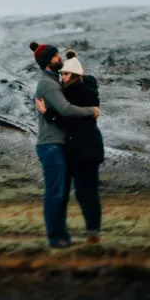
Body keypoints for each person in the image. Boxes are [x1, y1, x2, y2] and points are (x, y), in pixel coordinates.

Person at [28, 41, 100, 249]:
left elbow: (81, 86)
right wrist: (91, 111)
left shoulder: (56, 81)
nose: (60, 57)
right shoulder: (48, 84)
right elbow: (66, 109)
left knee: (60, 193)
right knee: (55, 193)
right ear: (47, 61)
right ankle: (55, 237)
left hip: (59, 145)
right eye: (56, 56)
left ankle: (61, 237)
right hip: (50, 145)